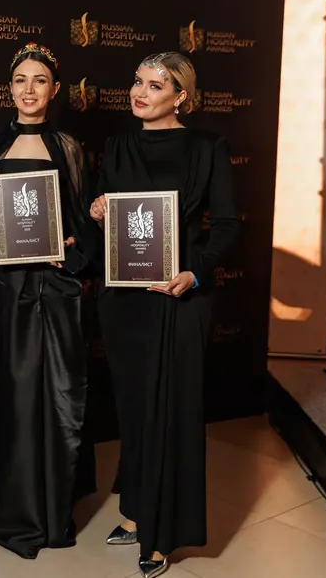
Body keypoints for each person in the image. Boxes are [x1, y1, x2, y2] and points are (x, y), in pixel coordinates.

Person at [0, 42, 96, 559]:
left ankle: (39, 502)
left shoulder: (68, 147)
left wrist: (71, 249)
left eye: (40, 80)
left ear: (55, 89)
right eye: (20, 80)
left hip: (47, 291)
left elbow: (81, 225)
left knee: (41, 395)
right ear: (9, 88)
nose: (29, 90)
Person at [89, 52, 239, 578]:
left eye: (156, 85)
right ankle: (135, 512)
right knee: (134, 411)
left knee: (171, 413)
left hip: (180, 298)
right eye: (137, 81)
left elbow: (226, 225)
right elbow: (112, 224)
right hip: (126, 300)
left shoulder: (206, 147)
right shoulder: (117, 146)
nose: (140, 92)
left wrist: (194, 274)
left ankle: (162, 534)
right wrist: (98, 211)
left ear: (181, 97)